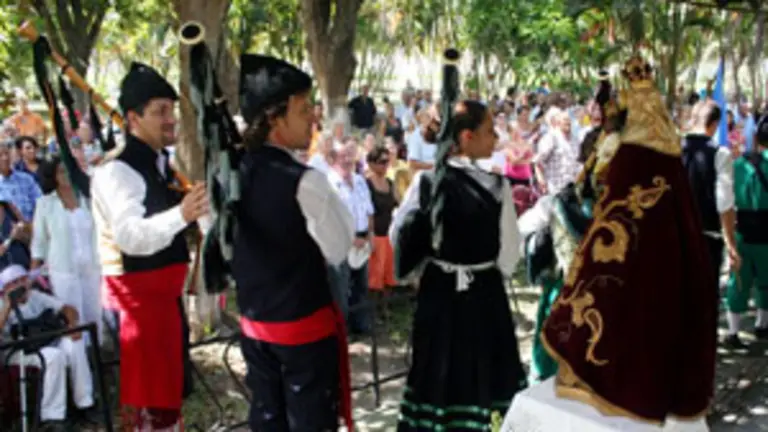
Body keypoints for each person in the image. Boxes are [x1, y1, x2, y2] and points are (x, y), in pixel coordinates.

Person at [541, 55, 717, 426]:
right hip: (663, 251)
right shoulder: (669, 153)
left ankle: (609, 379)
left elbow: (609, 201)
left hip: (627, 245)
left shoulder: (630, 154)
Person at [233, 53, 355, 431]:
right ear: (274, 119)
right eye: (302, 110)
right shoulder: (304, 180)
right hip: (302, 333)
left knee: (268, 420)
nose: (312, 119)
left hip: (256, 331)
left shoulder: (230, 174)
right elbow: (339, 249)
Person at [390, 99, 527, 430]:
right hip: (483, 294)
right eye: (489, 131)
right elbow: (510, 252)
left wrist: (429, 266)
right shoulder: (497, 186)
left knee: (438, 367)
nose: (496, 138)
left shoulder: (426, 183)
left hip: (439, 293)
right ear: (467, 137)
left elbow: (399, 236)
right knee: (481, 367)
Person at [90, 62, 209, 430]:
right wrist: (182, 214)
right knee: (149, 410)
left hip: (163, 305)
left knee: (167, 406)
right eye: (160, 111)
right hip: (139, 310)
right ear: (133, 118)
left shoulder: (161, 167)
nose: (170, 119)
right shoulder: (117, 171)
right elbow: (130, 236)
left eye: (171, 110)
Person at [0, 264, 97, 430]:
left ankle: (85, 403)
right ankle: (52, 416)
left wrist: (72, 326)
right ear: (6, 288)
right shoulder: (2, 305)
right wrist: (8, 306)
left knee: (75, 344)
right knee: (53, 356)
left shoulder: (36, 296)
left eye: (23, 280)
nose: (20, 285)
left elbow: (68, 309)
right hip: (19, 351)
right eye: (14, 282)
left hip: (46, 340)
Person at [31, 157, 101, 345]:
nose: (66, 175)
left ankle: (99, 355)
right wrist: (32, 274)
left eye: (69, 170)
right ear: (53, 176)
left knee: (95, 314)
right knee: (73, 319)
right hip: (64, 271)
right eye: (61, 171)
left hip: (91, 268)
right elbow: (39, 242)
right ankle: (81, 359)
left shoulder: (87, 198)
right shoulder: (45, 203)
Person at [682, 101, 739, 295]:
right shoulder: (720, 154)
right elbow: (725, 203)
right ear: (714, 124)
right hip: (707, 240)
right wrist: (731, 244)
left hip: (676, 238)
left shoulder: (672, 151)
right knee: (705, 297)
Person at [724, 114, 768, 346]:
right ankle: (762, 325)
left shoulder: (738, 164)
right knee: (766, 281)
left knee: (739, 280)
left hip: (741, 231)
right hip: (766, 234)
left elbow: (727, 199)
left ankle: (732, 332)